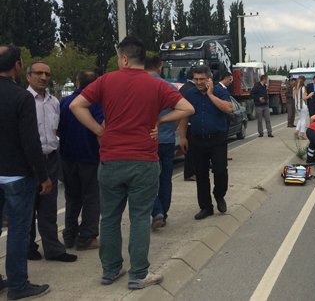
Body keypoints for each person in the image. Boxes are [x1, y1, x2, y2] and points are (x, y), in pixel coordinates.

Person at [70, 36, 194, 289]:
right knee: (139, 218)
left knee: (110, 218)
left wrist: (99, 130)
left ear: (124, 58)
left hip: (111, 160)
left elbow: (76, 105)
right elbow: (187, 108)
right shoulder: (157, 85)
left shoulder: (106, 81)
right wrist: (159, 122)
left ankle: (111, 270)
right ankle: (138, 274)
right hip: (143, 160)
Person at [0, 43, 51, 300]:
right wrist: (43, 176)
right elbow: (31, 143)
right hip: (17, 175)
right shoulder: (21, 97)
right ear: (18, 66)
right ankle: (18, 285)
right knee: (19, 231)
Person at [26, 61, 77, 263]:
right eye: (38, 73)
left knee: (48, 207)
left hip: (51, 159)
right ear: (29, 76)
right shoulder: (24, 100)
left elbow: (55, 131)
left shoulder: (54, 102)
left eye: (47, 73)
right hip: (29, 161)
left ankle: (53, 249)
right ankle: (28, 247)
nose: (43, 77)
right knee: (27, 207)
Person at [179, 68, 233, 220]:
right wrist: (182, 137)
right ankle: (206, 207)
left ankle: (219, 194)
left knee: (220, 170)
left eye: (202, 79)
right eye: (196, 79)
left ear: (209, 79)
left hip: (217, 139)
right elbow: (184, 116)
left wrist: (210, 95)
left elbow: (228, 108)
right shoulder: (190, 94)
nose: (198, 82)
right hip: (197, 140)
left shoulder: (219, 92)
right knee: (201, 175)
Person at [59, 70, 103, 251]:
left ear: (77, 83)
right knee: (92, 198)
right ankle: (87, 237)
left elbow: (57, 128)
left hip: (67, 157)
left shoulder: (64, 102)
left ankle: (69, 236)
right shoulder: (96, 103)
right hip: (90, 157)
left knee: (72, 198)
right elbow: (102, 127)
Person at [145, 55, 179, 231]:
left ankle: (156, 211)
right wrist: (171, 127)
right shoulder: (169, 87)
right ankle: (163, 213)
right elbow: (182, 111)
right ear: (160, 67)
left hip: (146, 142)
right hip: (167, 140)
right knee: (165, 179)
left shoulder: (140, 86)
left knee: (148, 180)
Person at [179, 69, 197, 182]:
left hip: (185, 122)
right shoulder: (191, 89)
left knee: (190, 151)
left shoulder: (183, 87)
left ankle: (191, 172)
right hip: (189, 122)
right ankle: (189, 173)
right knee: (191, 151)